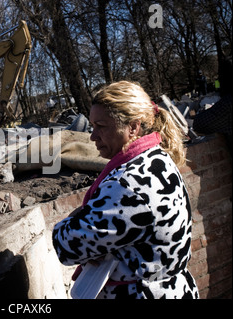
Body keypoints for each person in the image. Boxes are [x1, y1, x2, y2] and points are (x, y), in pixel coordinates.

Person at [52, 81, 199, 299]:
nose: (92, 136)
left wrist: (73, 218)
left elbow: (66, 245)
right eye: (92, 126)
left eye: (101, 126)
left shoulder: (127, 183)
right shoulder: (155, 158)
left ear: (133, 127)